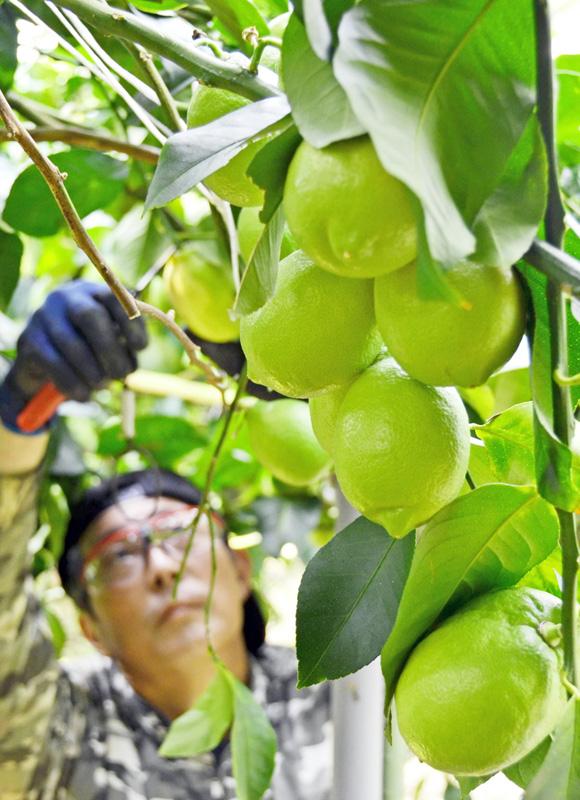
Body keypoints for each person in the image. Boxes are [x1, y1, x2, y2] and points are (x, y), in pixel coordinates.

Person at [0, 281, 331, 800]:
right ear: (92, 629)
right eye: (118, 557)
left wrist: (310, 378)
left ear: (241, 569)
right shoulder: (64, 739)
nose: (160, 567)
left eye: (181, 532)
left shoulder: (346, 693)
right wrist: (18, 416)